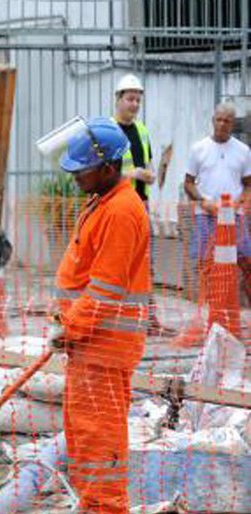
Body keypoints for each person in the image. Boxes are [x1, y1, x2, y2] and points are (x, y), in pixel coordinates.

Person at [47, 116, 150, 514]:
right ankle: (91, 501)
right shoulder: (103, 202)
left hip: (105, 341)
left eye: (81, 169)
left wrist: (69, 328)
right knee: (81, 425)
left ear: (108, 167)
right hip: (90, 340)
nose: (74, 176)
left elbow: (106, 289)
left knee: (100, 427)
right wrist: (69, 326)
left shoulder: (123, 212)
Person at [112, 73, 172, 336]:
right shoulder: (109, 131)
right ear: (118, 100)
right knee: (120, 261)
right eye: (130, 99)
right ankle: (119, 316)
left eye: (138, 100)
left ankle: (146, 317)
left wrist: (149, 173)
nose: (134, 104)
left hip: (140, 203)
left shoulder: (142, 130)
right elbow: (103, 171)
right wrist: (133, 174)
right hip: (117, 205)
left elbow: (146, 164)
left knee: (144, 262)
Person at [183, 102, 251, 301]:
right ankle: (207, 307)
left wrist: (240, 203)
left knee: (245, 259)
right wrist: (204, 201)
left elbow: (248, 185)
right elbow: (188, 183)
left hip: (234, 217)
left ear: (232, 125)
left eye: (227, 121)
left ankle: (241, 306)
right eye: (219, 120)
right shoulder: (199, 149)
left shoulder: (243, 151)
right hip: (206, 215)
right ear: (213, 121)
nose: (222, 124)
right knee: (205, 262)